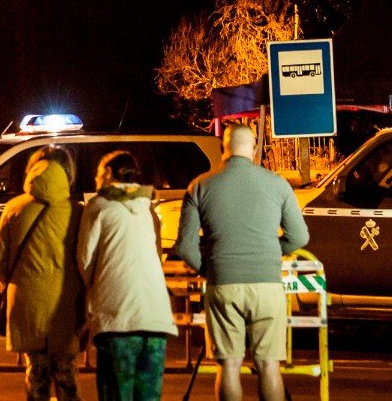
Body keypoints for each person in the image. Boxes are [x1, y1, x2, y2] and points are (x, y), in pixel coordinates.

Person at [172, 122, 308, 401]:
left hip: (223, 284)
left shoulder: (200, 186)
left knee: (229, 364)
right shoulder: (278, 184)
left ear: (224, 146)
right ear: (255, 147)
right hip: (267, 286)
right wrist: (269, 253)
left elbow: (185, 246)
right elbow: (299, 237)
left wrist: (210, 267)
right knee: (269, 365)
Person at [78, 150, 176, 401]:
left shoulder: (98, 206)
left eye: (99, 175)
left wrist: (93, 287)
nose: (97, 180)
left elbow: (85, 260)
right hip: (155, 317)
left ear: (109, 175)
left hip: (117, 318)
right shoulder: (148, 210)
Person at [0, 147, 84, 401]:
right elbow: (85, 259)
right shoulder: (76, 211)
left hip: (26, 302)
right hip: (65, 304)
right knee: (66, 374)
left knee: (36, 372)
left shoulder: (14, 208)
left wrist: (14, 280)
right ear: (68, 172)